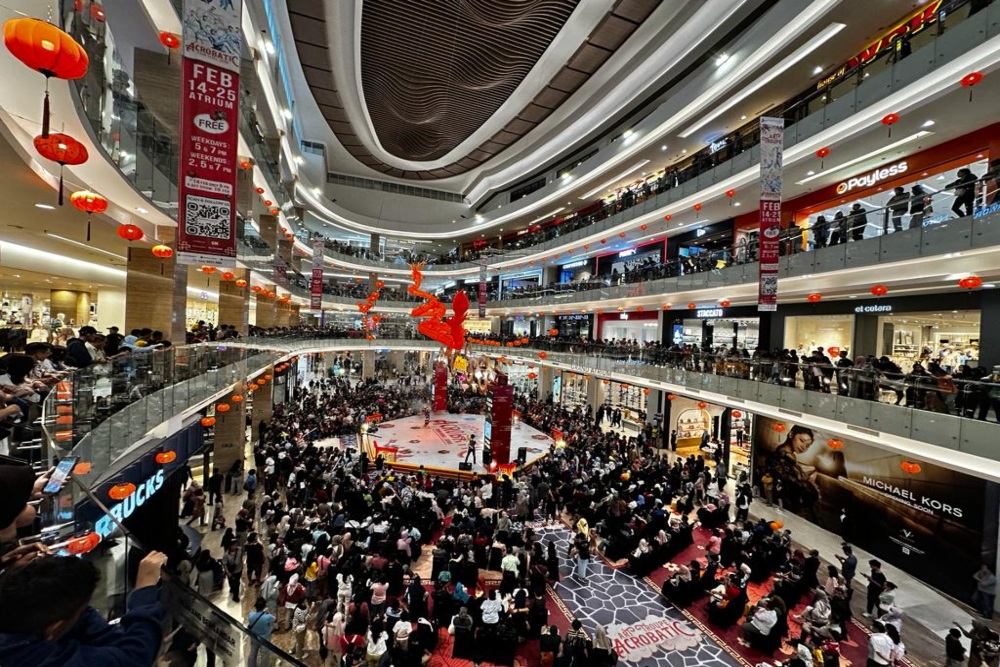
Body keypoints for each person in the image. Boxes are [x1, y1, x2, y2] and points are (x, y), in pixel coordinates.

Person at [0, 551, 168, 666]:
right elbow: (135, 659)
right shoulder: (34, 657)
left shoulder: (17, 616)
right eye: (81, 610)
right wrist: (144, 592)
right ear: (54, 629)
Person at [247, 597, 276, 667]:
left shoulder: (250, 615)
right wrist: (267, 612)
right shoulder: (267, 617)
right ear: (264, 606)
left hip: (254, 637)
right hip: (264, 638)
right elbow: (275, 619)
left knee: (253, 653)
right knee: (264, 655)